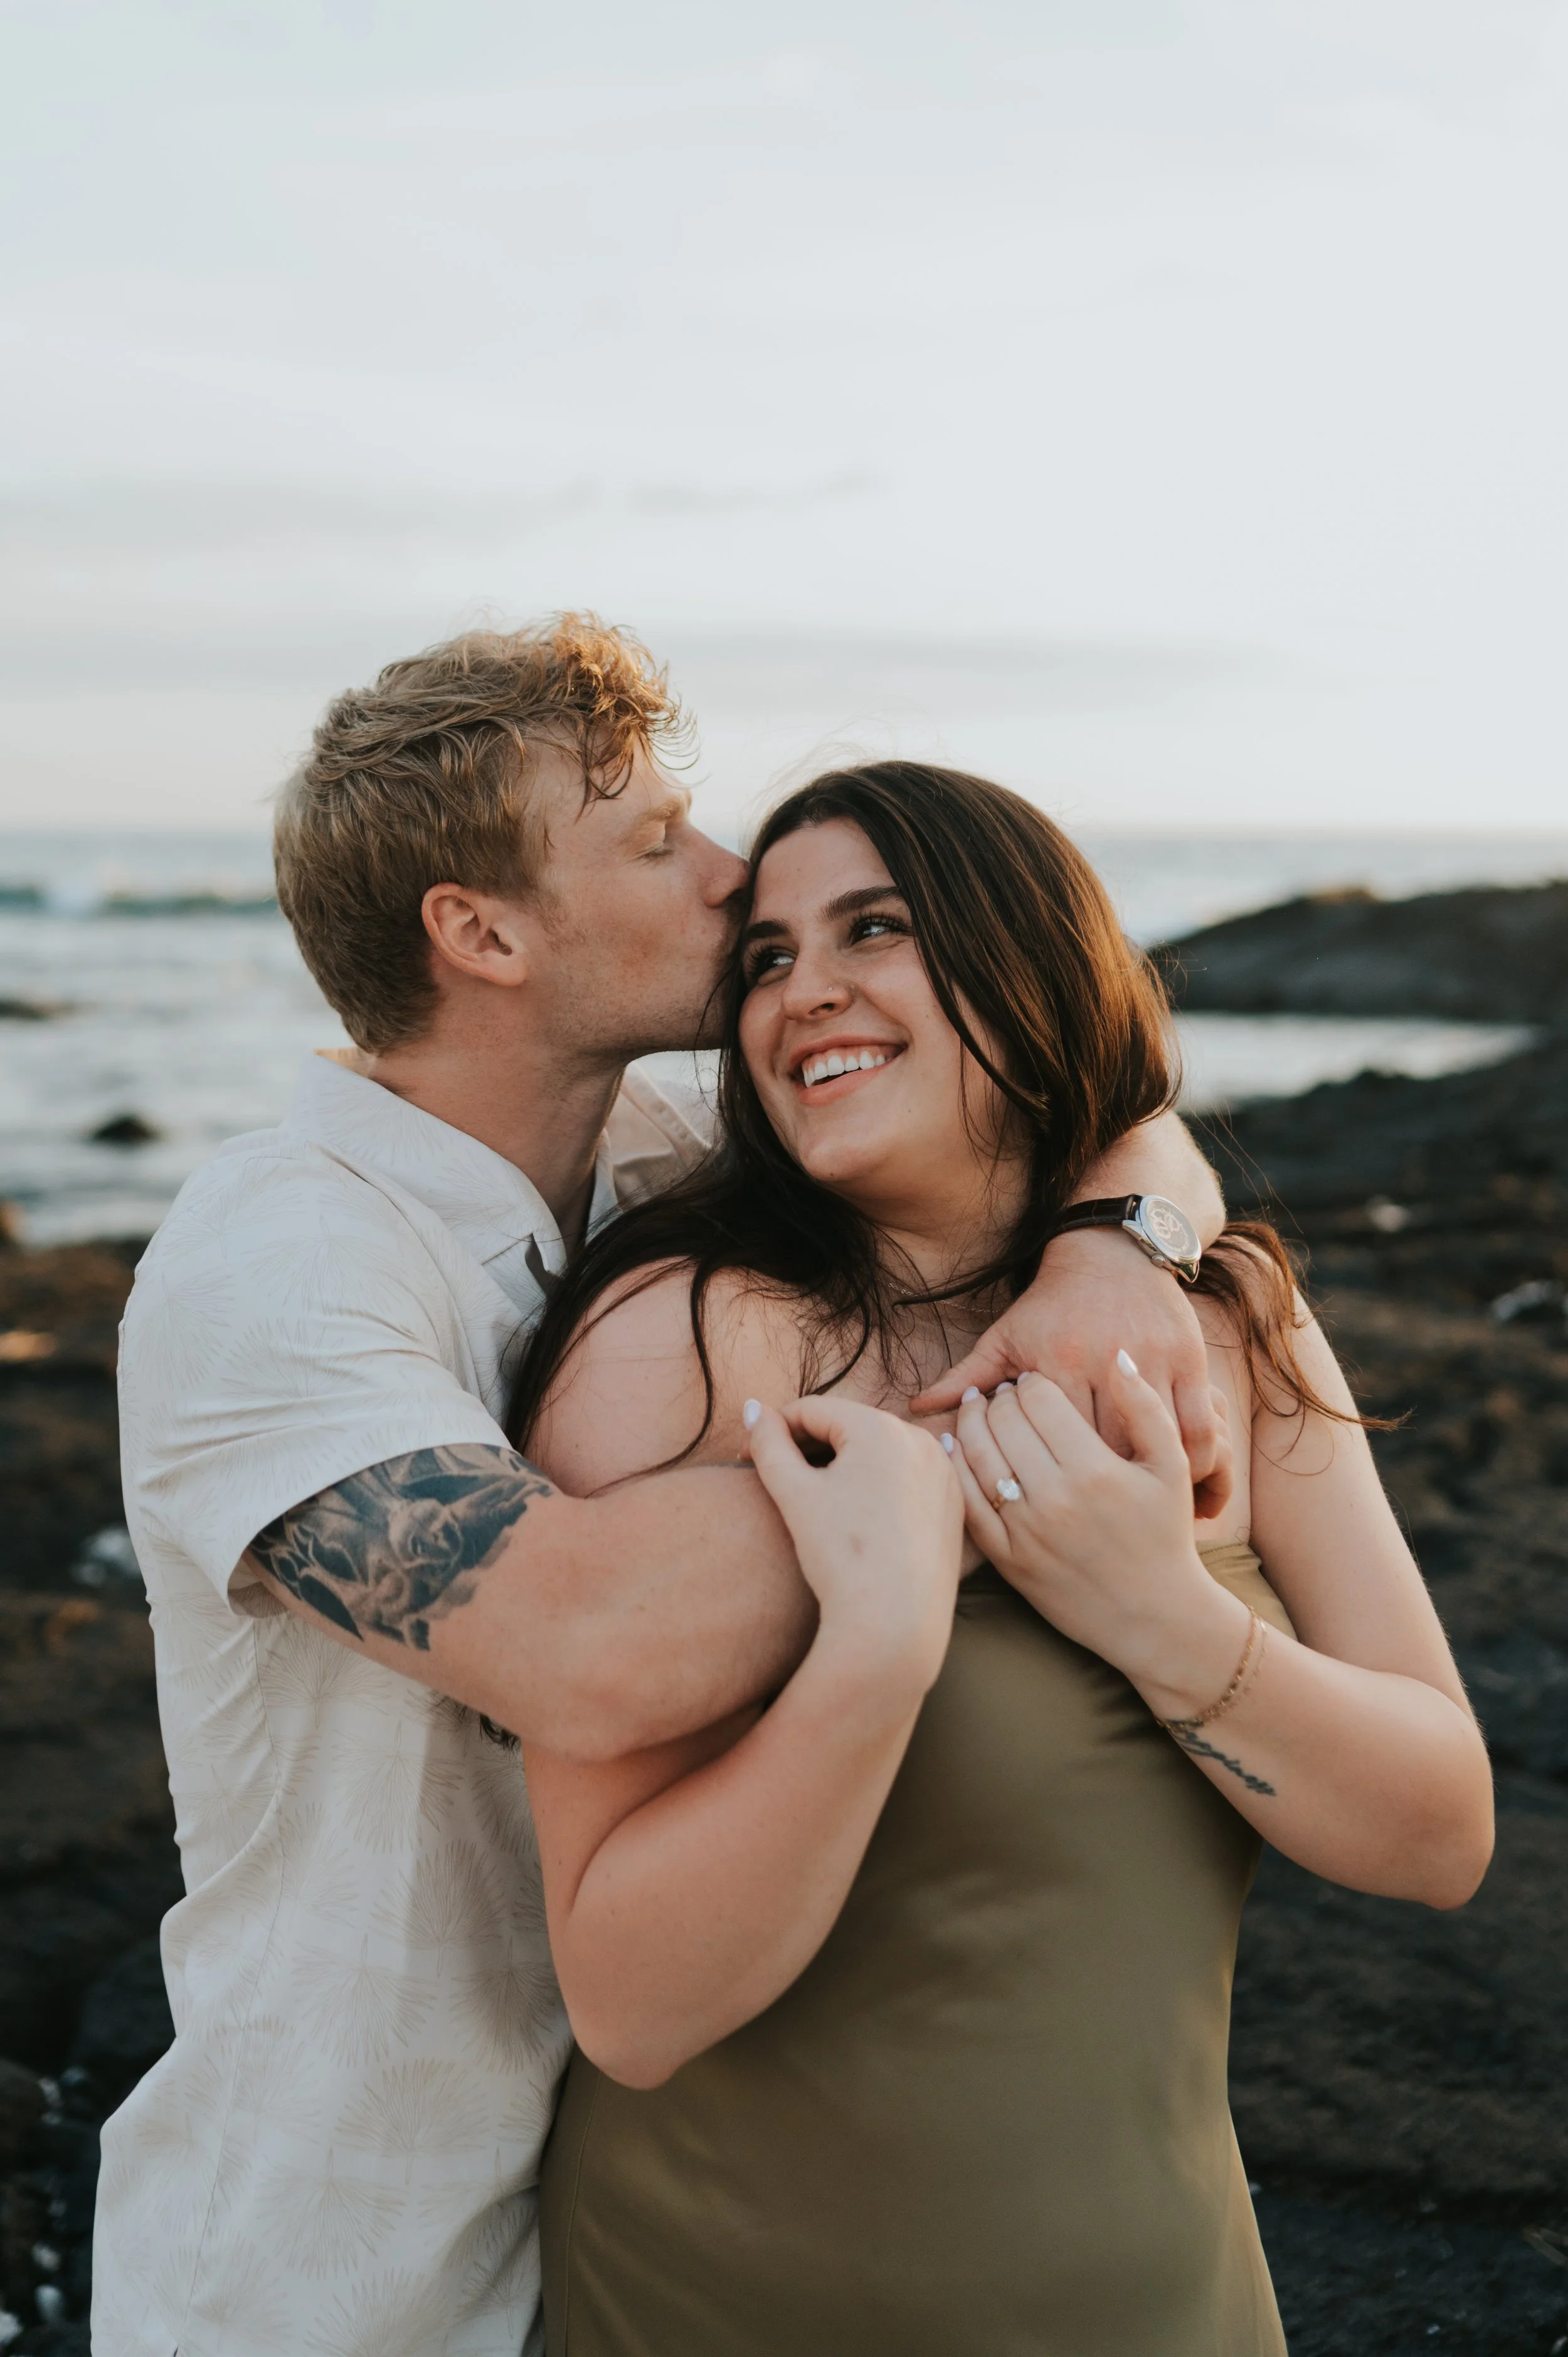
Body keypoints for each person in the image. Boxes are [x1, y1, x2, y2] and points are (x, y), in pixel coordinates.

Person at [98, 621, 1228, 2357]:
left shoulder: (644, 1167)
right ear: (477, 933)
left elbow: (1097, 1109)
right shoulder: (276, 1269)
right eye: (654, 845)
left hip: (644, 2204)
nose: (728, 883)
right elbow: (588, 1647)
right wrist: (1013, 1421)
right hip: (336, 2259)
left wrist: (1114, 1248)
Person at [510, 761, 1495, 2357]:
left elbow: (1440, 1830)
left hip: (1157, 2304)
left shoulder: (1219, 1327)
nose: (802, 989)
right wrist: (877, 1653)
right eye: (764, 956)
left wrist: (1161, 1620)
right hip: (717, 2309)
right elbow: (627, 2002)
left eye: (873, 928)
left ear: (1022, 953)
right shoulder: (678, 1342)